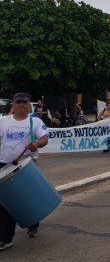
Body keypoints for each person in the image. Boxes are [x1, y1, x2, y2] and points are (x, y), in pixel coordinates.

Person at [0, 93, 49, 251]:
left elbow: (44, 138)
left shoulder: (34, 121)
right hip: (4, 165)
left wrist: (37, 144)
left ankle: (33, 223)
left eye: (24, 102)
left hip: (26, 166)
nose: (21, 105)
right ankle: (5, 238)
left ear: (29, 105)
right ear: (12, 105)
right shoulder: (2, 121)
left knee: (27, 199)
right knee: (5, 203)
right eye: (18, 102)